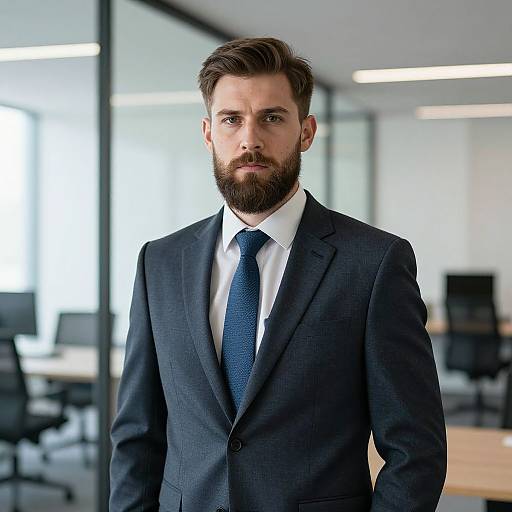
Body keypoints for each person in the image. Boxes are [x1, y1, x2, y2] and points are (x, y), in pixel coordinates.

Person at [109, 37, 447, 512]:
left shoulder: (373, 264)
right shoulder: (160, 263)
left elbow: (416, 449)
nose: (250, 139)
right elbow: (137, 435)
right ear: (209, 133)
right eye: (232, 120)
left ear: (305, 132)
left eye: (271, 117)